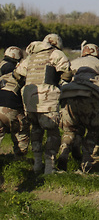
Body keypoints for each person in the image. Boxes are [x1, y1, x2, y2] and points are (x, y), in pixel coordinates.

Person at [14, 34, 72, 174]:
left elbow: (17, 75)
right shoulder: (56, 53)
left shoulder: (31, 56)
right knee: (52, 131)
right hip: (47, 98)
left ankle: (37, 164)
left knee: (36, 129)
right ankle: (49, 167)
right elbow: (67, 75)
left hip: (30, 100)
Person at [58, 43, 99, 171]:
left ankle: (63, 152)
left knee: (69, 130)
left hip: (68, 95)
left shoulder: (74, 61)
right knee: (94, 128)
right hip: (89, 96)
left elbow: (65, 76)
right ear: (97, 52)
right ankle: (86, 160)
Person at [0, 47, 29, 158]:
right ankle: (20, 158)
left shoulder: (2, 75)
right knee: (22, 129)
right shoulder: (19, 76)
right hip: (10, 109)